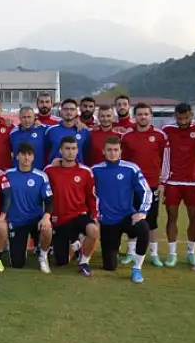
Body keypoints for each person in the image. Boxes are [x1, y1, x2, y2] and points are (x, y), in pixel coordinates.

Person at [91, 136, 152, 284]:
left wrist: (142, 211)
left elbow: (146, 191)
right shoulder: (95, 170)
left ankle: (137, 268)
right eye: (109, 150)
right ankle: (114, 251)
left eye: (115, 150)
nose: (112, 153)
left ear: (121, 152)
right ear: (103, 151)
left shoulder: (131, 168)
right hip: (107, 221)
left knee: (144, 228)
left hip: (127, 217)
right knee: (110, 266)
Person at [121, 102, 168, 267]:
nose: (143, 117)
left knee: (152, 220)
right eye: (139, 114)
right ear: (135, 117)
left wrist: (163, 182)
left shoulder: (160, 136)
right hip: (133, 186)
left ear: (150, 116)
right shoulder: (127, 137)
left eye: (146, 114)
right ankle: (130, 252)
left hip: (153, 185)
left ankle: (154, 254)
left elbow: (166, 160)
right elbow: (123, 162)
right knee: (133, 218)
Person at [44, 136, 99, 277]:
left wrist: (94, 217)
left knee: (93, 231)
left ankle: (84, 262)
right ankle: (76, 244)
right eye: (67, 148)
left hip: (79, 215)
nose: (70, 152)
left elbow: (91, 197)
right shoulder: (50, 170)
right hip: (59, 219)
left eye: (73, 148)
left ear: (77, 150)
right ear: (60, 150)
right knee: (62, 262)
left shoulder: (85, 171)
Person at [160, 102, 195, 267]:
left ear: (191, 115)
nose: (183, 121)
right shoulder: (167, 130)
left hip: (194, 182)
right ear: (175, 116)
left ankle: (191, 252)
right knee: (172, 217)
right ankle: (172, 254)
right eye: (179, 118)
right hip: (173, 182)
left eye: (186, 118)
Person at [5, 142, 53, 273]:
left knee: (47, 228)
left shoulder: (41, 176)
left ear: (33, 157)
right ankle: (19, 248)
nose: (26, 158)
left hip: (35, 220)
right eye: (23, 154)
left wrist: (46, 217)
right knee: (17, 264)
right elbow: (1, 197)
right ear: (17, 156)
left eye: (29, 154)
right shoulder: (7, 175)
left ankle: (43, 257)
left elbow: (49, 201)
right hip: (16, 221)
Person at [44, 98, 91, 164]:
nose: (69, 112)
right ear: (61, 112)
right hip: (55, 170)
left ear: (76, 112)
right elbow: (45, 152)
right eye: (65, 109)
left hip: (77, 171)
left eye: (72, 109)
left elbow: (87, 154)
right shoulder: (51, 131)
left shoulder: (84, 131)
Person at [9, 106, 48, 170]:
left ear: (34, 117)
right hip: (18, 173)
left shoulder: (43, 130)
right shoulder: (13, 133)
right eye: (24, 117)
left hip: (38, 172)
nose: (27, 120)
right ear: (19, 118)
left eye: (29, 117)